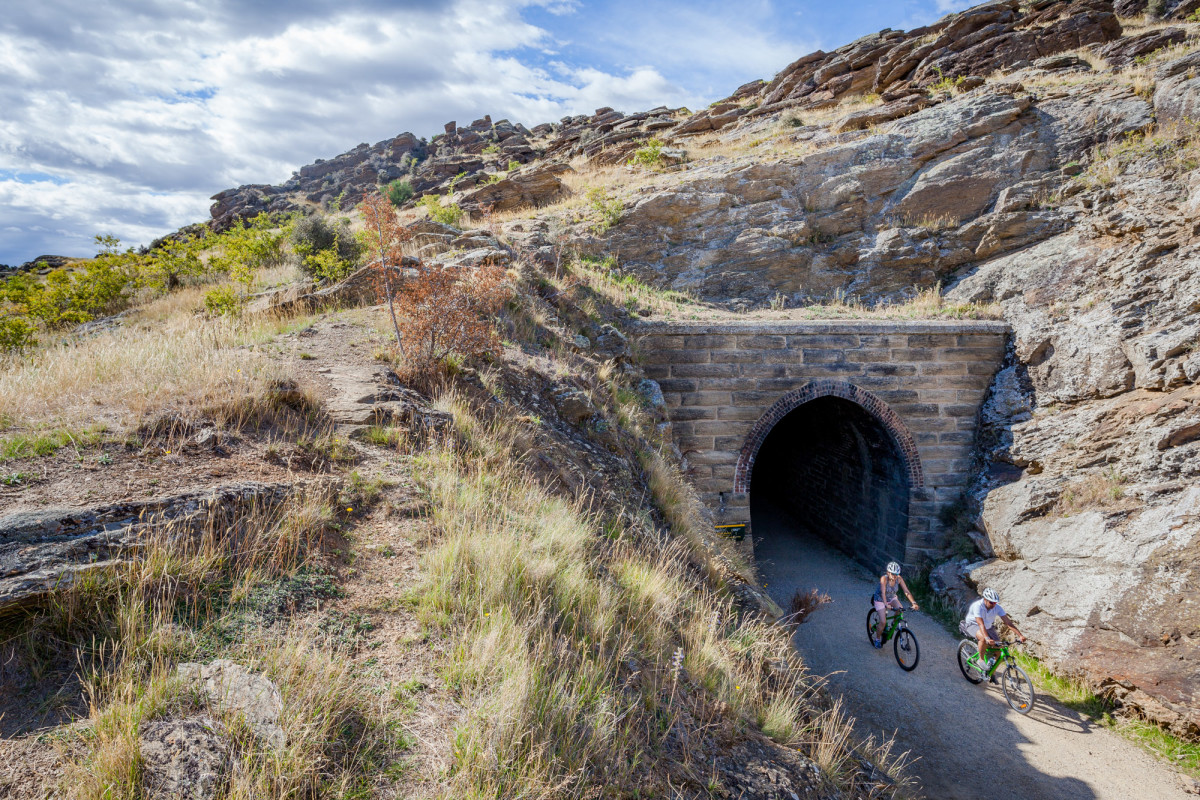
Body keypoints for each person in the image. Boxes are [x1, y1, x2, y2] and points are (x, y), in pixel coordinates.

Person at [962, 588, 1026, 679]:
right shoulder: (977, 606)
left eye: (995, 602)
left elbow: (1008, 622)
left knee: (999, 649)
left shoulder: (997, 608)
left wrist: (1020, 635)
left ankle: (991, 673)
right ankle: (980, 660)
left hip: (988, 626)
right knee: (983, 639)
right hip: (973, 624)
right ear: (985, 599)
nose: (994, 605)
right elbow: (980, 624)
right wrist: (987, 638)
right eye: (991, 602)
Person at [873, 561, 918, 648]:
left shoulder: (899, 579)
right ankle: (877, 639)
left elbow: (906, 591)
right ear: (888, 572)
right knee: (883, 621)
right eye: (893, 574)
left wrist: (913, 603)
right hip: (880, 600)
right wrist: (886, 604)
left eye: (896, 574)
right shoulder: (884, 579)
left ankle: (893, 625)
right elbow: (883, 593)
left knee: (900, 610)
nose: (895, 576)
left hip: (892, 598)